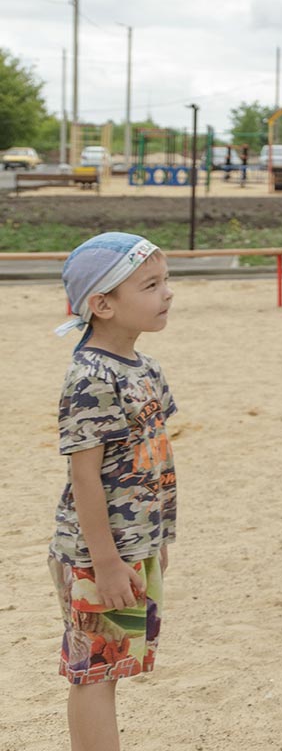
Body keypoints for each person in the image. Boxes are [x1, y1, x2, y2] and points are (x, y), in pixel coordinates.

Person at [48, 232, 179, 751]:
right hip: (94, 554)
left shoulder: (145, 368)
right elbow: (84, 478)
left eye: (166, 281)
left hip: (132, 546)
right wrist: (104, 562)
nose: (167, 293)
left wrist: (157, 539)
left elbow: (154, 459)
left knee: (114, 663)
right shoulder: (91, 378)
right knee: (94, 671)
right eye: (150, 284)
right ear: (101, 305)